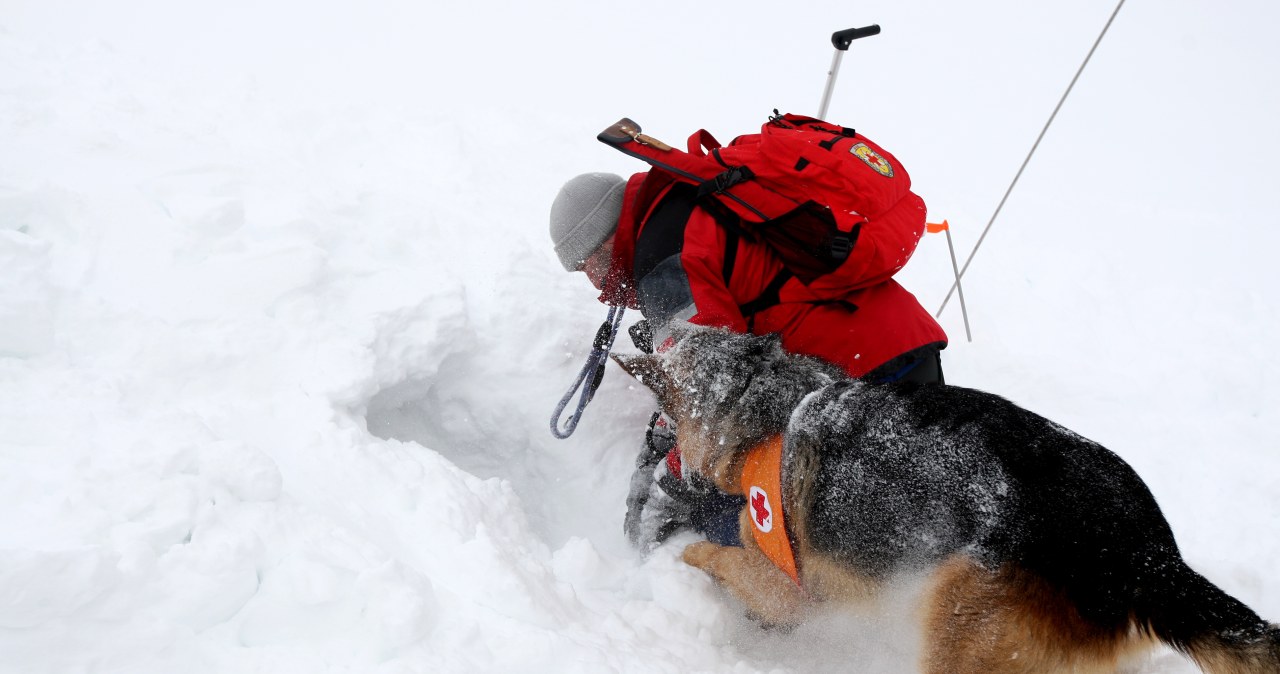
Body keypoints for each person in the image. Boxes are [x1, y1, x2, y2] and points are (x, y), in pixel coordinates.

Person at [549, 170, 947, 550]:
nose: (597, 285)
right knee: (929, 516)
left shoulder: (664, 265)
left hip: (857, 381)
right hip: (899, 345)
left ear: (609, 239)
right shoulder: (687, 206)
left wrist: (664, 494)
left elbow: (710, 407)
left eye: (590, 266)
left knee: (725, 515)